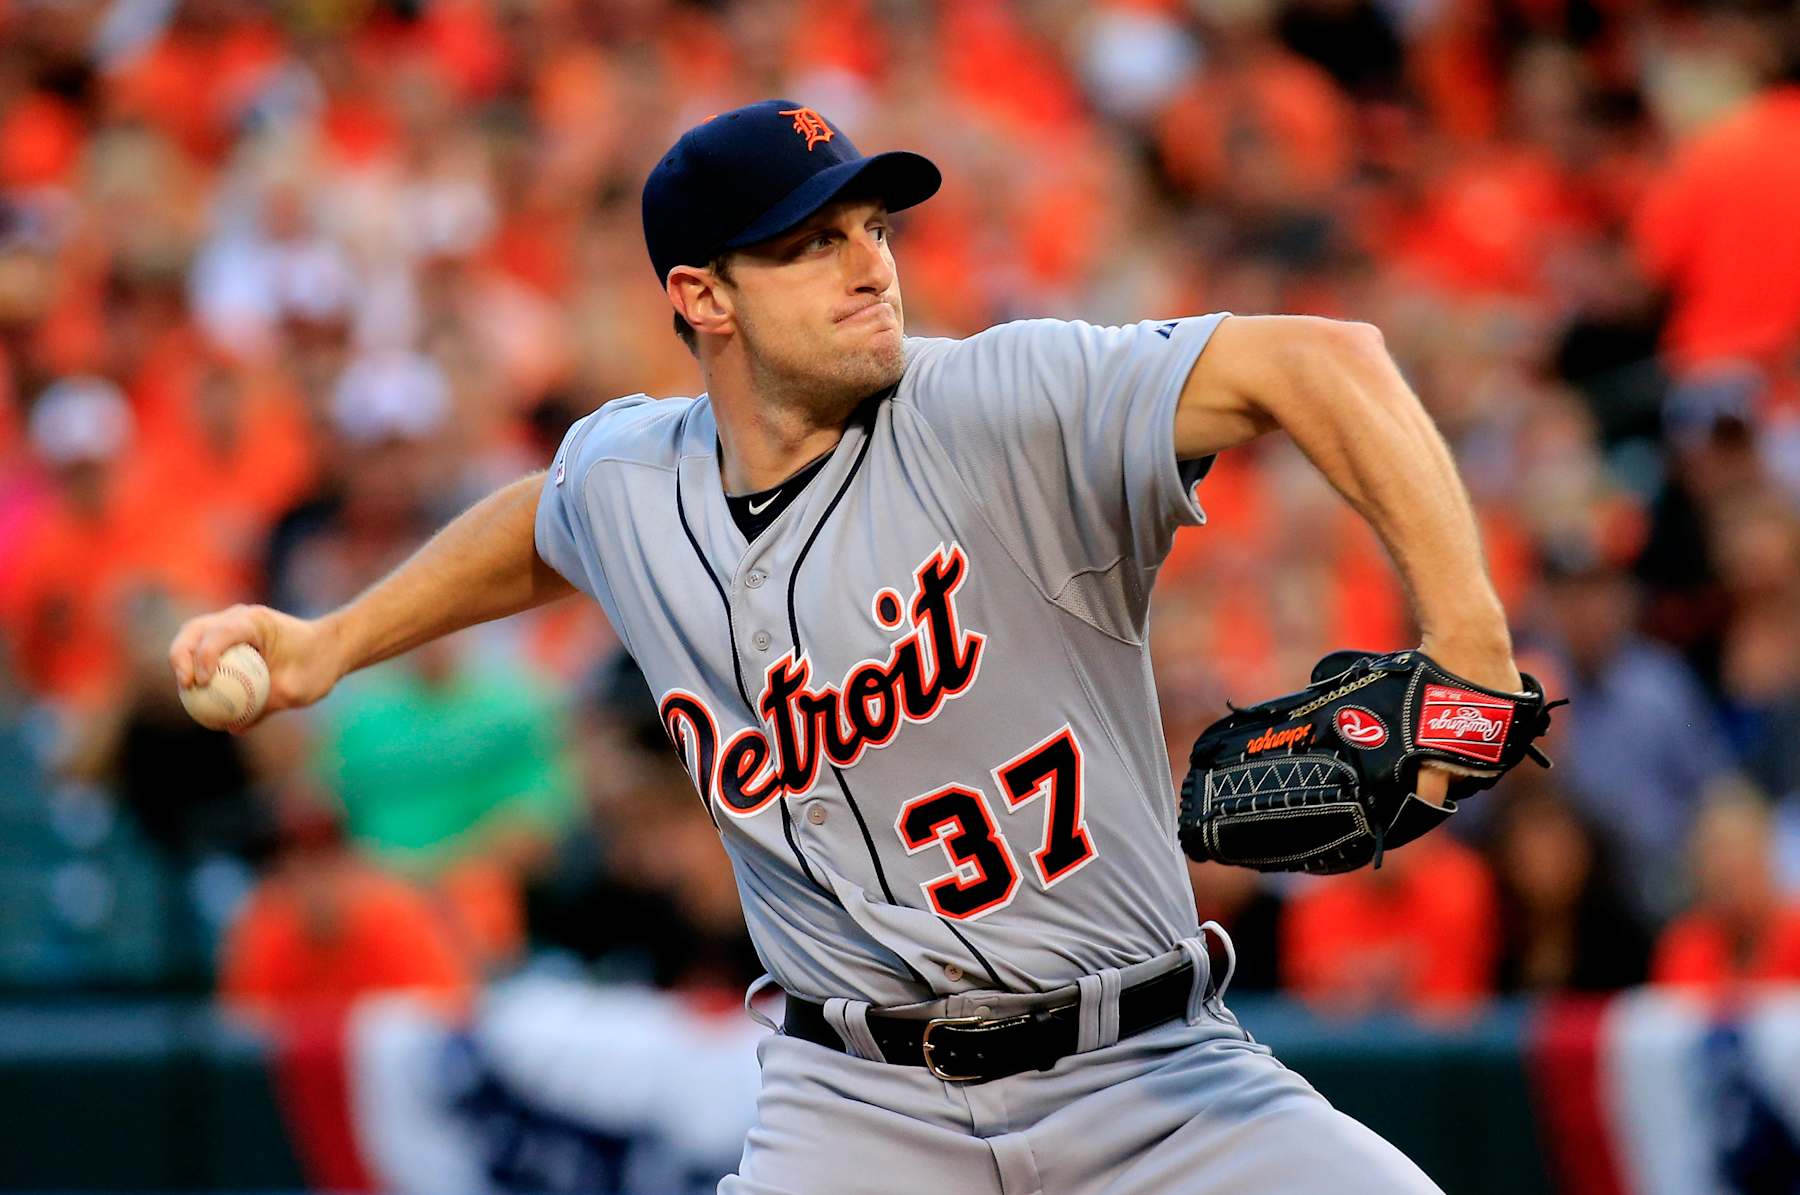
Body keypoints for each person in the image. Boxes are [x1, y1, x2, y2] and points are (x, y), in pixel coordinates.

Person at [172, 100, 1524, 1194]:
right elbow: (548, 521)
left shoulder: (996, 404)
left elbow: (1323, 360)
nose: (871, 264)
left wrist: (1466, 643)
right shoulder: (632, 478)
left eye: (873, 228)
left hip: (1153, 1081)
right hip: (858, 1112)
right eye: (812, 243)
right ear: (702, 295)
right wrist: (331, 643)